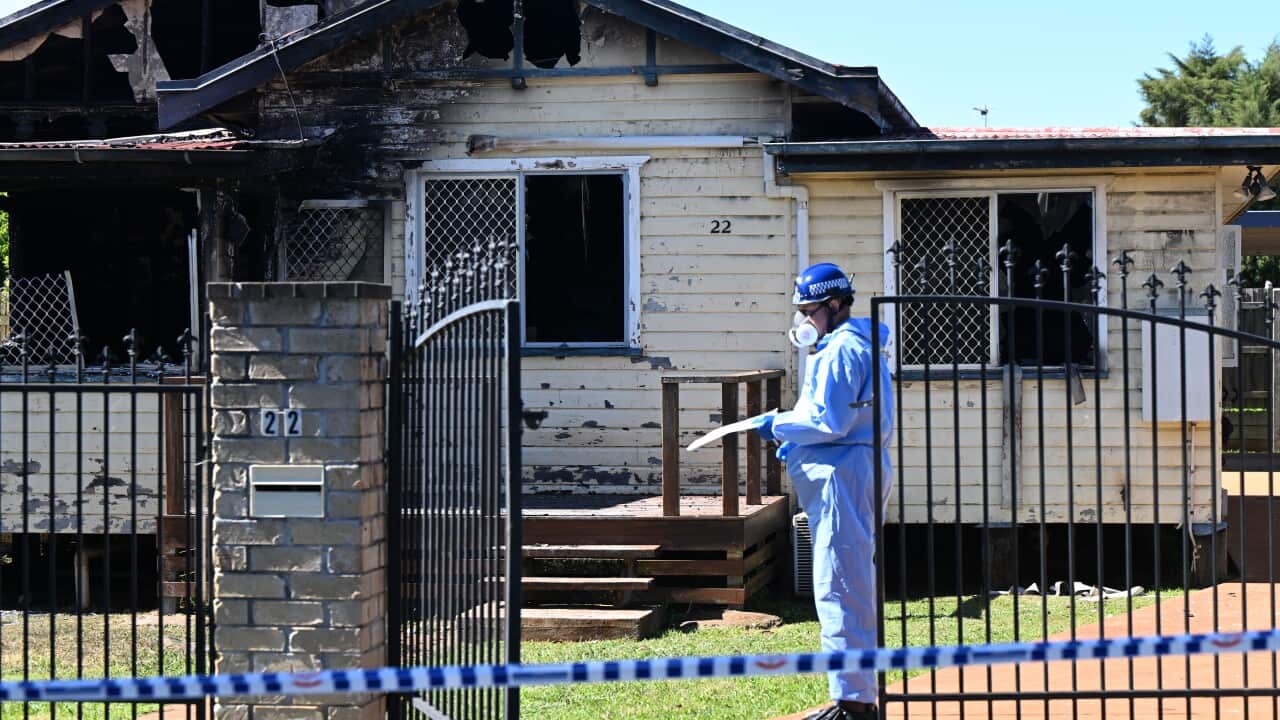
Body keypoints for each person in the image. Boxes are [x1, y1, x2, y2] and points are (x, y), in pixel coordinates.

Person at [753, 262, 895, 720]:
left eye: (809, 311)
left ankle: (854, 706)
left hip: (842, 478)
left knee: (840, 586)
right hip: (851, 473)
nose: (803, 321)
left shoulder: (841, 351)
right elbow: (834, 417)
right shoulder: (850, 343)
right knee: (849, 583)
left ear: (834, 305)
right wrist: (794, 442)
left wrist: (778, 424)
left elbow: (828, 421)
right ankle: (856, 696)